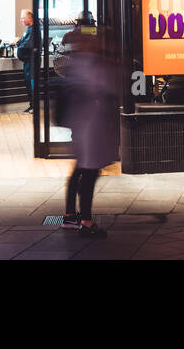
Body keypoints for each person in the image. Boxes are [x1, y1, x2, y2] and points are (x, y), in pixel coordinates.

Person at [62, 29, 117, 238]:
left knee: (81, 170)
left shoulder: (76, 64)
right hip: (90, 127)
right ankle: (85, 221)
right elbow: (102, 88)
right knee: (89, 172)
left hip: (82, 125)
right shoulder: (89, 64)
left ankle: (69, 214)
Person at [15, 8, 40, 113]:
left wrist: (19, 43)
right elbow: (22, 42)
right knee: (29, 85)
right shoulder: (29, 29)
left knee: (32, 84)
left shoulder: (33, 29)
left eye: (22, 18)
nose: (21, 20)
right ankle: (32, 105)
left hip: (32, 62)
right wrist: (19, 43)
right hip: (28, 62)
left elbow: (26, 45)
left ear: (30, 18)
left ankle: (34, 106)